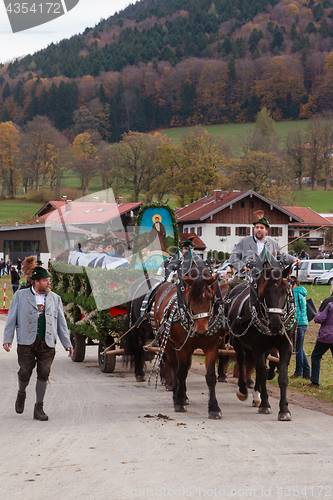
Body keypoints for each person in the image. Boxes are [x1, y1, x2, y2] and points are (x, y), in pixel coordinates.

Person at [3, 267, 73, 421]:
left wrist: (67, 343)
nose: (49, 283)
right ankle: (21, 393)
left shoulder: (55, 298)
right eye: (46, 280)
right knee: (25, 372)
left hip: (47, 343)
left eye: (49, 280)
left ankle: (39, 407)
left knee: (44, 372)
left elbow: (61, 323)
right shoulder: (21, 296)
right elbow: (11, 318)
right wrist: (7, 339)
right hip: (26, 343)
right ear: (36, 282)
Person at [229, 211, 301, 275]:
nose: (259, 230)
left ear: (266, 230)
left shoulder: (274, 243)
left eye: (261, 228)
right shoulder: (243, 241)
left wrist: (294, 260)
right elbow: (233, 258)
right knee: (233, 286)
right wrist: (243, 266)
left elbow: (283, 255)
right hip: (246, 276)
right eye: (257, 227)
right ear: (254, 229)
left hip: (268, 277)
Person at [309, 283, 333, 387]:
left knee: (316, 355)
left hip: (326, 335)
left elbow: (319, 318)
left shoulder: (328, 302)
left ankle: (315, 381)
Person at [289, 277, 310, 379]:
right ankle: (307, 372)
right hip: (304, 323)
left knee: (298, 350)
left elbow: (294, 310)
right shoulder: (301, 292)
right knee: (299, 348)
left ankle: (298, 372)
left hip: (298, 323)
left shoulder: (294, 294)